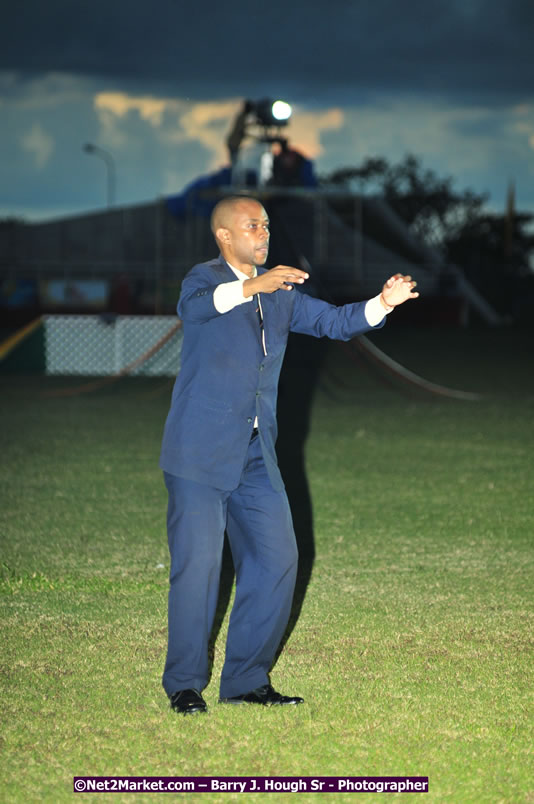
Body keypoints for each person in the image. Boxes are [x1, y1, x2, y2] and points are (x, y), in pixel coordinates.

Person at [159, 195, 419, 714]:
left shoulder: (279, 293)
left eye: (267, 224)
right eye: (251, 225)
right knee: (200, 567)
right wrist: (253, 284)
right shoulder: (204, 280)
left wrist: (383, 303)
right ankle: (185, 684)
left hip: (256, 454)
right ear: (224, 236)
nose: (263, 232)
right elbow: (195, 309)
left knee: (278, 558)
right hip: (199, 454)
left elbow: (335, 321)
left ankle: (246, 681)